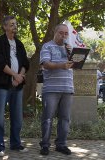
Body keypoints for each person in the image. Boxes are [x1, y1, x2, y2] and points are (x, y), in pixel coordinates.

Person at [0, 16, 29, 157]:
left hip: (18, 85)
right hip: (3, 85)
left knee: (17, 117)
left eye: (16, 24)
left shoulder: (19, 44)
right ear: (5, 26)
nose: (14, 26)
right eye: (12, 24)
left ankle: (16, 144)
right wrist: (14, 75)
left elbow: (25, 62)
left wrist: (20, 76)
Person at [39, 24, 74, 156]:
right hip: (51, 88)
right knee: (47, 118)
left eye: (66, 33)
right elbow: (46, 64)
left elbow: (75, 65)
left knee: (65, 118)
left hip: (68, 87)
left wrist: (74, 57)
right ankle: (45, 145)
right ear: (55, 32)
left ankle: (61, 144)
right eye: (61, 33)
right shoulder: (47, 46)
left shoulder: (69, 48)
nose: (64, 36)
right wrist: (62, 65)